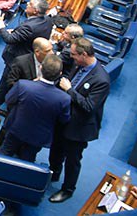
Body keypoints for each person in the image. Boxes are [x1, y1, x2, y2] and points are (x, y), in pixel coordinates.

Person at [49, 37, 111, 203]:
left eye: (75, 55)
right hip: (63, 117)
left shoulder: (102, 80)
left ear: (84, 54)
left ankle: (67, 189)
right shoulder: (80, 64)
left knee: (72, 160)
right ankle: (53, 173)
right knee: (56, 149)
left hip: (79, 127)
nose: (72, 58)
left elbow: (89, 107)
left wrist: (69, 90)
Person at [0, 0, 54, 112]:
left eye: (30, 4)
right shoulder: (47, 20)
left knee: (5, 83)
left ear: (36, 11)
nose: (26, 4)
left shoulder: (29, 27)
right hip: (30, 57)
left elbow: (9, 39)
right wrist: (17, 32)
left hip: (17, 58)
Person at [0, 55, 71, 162]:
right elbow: (63, 119)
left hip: (16, 128)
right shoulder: (64, 98)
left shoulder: (23, 85)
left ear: (41, 68)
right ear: (60, 74)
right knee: (27, 161)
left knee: (5, 153)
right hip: (38, 136)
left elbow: (8, 100)